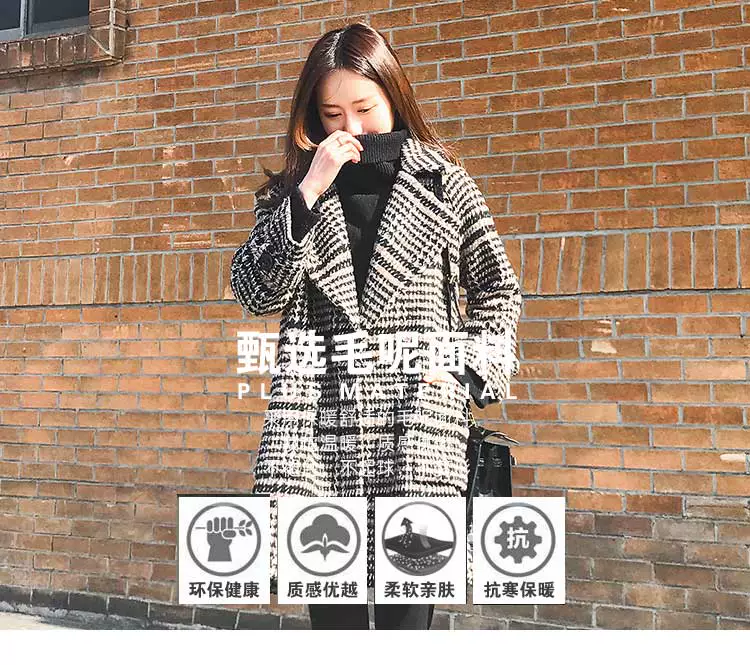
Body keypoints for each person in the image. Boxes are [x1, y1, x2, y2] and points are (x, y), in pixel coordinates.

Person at [230, 22, 522, 630]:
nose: (352, 130)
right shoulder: (291, 195)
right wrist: (308, 192)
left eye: (364, 109)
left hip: (417, 431)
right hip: (315, 440)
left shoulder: (443, 184)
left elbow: (498, 290)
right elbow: (256, 292)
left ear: (393, 96)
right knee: (333, 629)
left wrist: (465, 368)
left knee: (404, 629)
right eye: (333, 114)